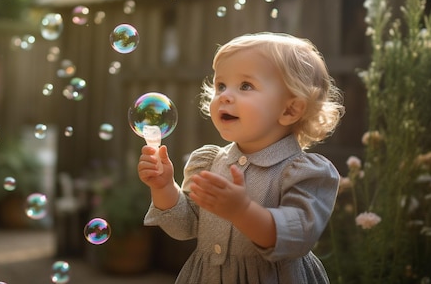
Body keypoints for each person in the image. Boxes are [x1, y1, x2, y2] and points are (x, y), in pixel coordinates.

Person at [137, 32, 345, 284]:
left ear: (290, 109)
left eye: (246, 86)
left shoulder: (303, 172)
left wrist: (242, 211)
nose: (224, 95)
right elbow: (184, 228)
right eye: (220, 85)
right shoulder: (210, 162)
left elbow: (296, 240)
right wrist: (164, 187)